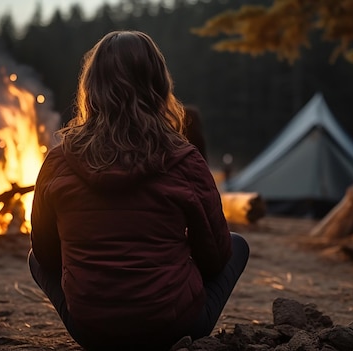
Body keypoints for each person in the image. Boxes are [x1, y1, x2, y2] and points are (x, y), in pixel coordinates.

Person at [28, 30, 249, 350]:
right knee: (237, 245)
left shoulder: (59, 159)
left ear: (91, 88)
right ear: (158, 87)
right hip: (172, 328)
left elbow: (47, 255)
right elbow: (215, 258)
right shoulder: (185, 159)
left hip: (92, 331)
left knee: (35, 257)